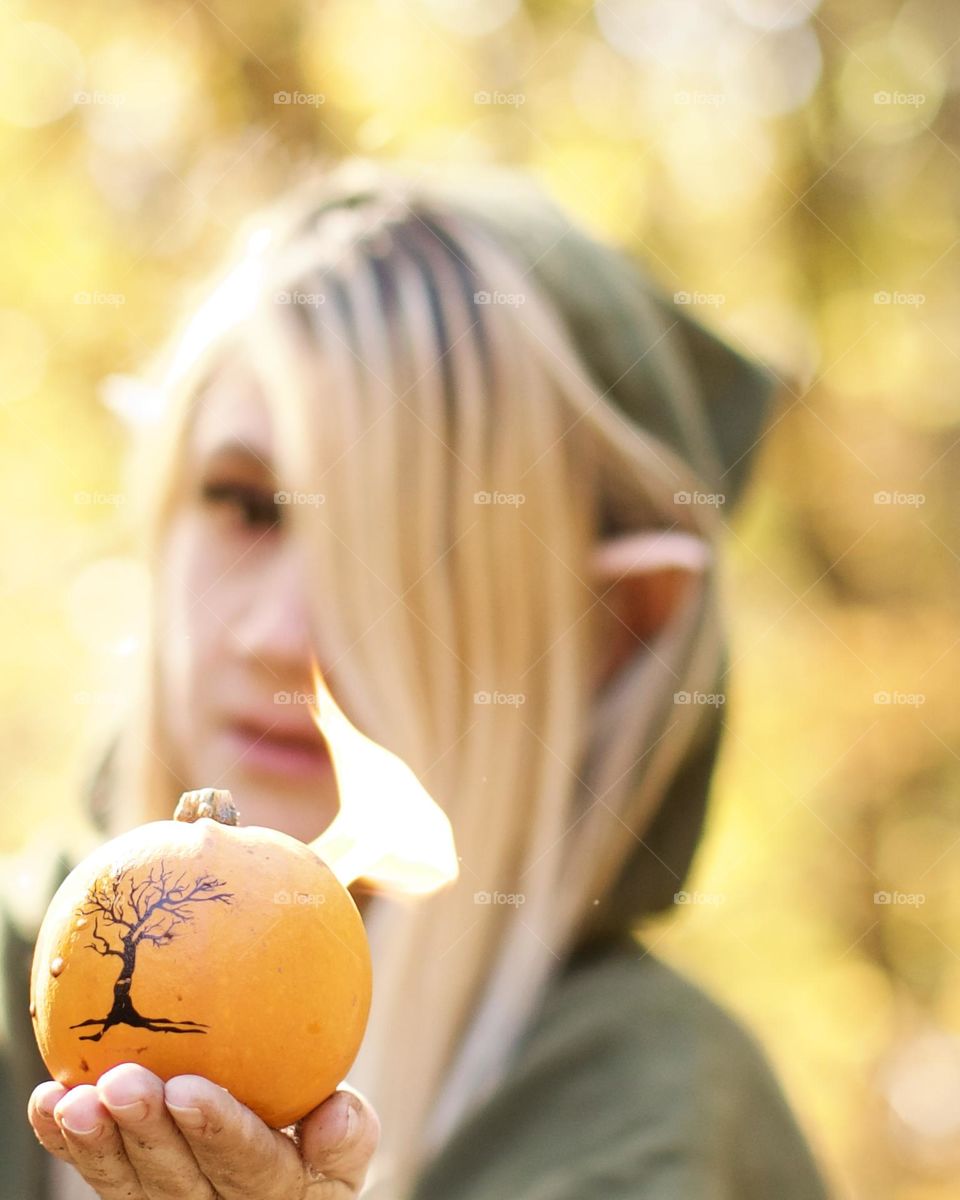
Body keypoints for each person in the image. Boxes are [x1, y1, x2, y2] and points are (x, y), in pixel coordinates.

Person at [1, 156, 833, 1199]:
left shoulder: (660, 1119)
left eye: (411, 551)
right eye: (247, 505)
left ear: (614, 626)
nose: (277, 636)